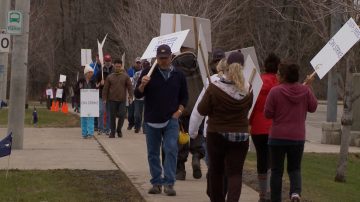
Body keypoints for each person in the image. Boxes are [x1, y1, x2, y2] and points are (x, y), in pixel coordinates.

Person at [198, 51, 253, 202]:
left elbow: (201, 110)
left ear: (226, 65)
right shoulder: (248, 88)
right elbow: (248, 108)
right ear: (243, 67)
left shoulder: (214, 87)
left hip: (217, 134)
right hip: (240, 136)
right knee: (235, 173)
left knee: (217, 171)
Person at [134, 44, 188, 196]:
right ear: (156, 58)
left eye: (166, 58)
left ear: (171, 57)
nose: (163, 61)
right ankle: (156, 182)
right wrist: (143, 85)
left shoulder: (179, 75)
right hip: (152, 120)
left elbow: (185, 96)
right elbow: (137, 95)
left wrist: (179, 111)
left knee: (171, 149)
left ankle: (169, 183)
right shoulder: (147, 73)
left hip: (171, 119)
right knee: (153, 153)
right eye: (160, 58)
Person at [264, 61, 317, 202]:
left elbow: (267, 113)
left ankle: (276, 198)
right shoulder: (305, 90)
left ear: (284, 76)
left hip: (277, 137)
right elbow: (313, 107)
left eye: (279, 73)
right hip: (297, 137)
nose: (276, 75)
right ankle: (295, 193)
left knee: (276, 171)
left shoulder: (275, 91)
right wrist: (308, 87)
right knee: (295, 169)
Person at [189, 49, 228, 197]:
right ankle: (219, 192)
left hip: (213, 132)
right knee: (223, 167)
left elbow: (199, 109)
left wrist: (192, 131)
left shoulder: (211, 83)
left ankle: (215, 192)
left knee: (214, 166)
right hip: (230, 132)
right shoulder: (238, 81)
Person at [249, 53, 280, 202]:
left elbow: (252, 105)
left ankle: (263, 193)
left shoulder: (257, 82)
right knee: (273, 160)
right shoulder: (280, 84)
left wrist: (249, 122)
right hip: (274, 127)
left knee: (261, 158)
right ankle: (271, 191)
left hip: (257, 126)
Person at [171, 47, 205, 181]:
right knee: (197, 134)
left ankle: (181, 170)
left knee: (181, 138)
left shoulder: (174, 69)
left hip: (182, 108)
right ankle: (196, 156)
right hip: (198, 107)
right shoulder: (199, 66)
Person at [102, 59, 133, 138]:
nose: (117, 68)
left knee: (122, 115)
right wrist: (104, 99)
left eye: (119, 66)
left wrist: (130, 96)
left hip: (122, 100)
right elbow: (105, 89)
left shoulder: (125, 76)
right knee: (112, 117)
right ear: (114, 66)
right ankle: (112, 132)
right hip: (112, 100)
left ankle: (119, 130)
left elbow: (130, 87)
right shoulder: (110, 77)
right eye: (116, 66)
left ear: (121, 66)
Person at [96, 54, 113, 135]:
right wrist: (100, 83)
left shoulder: (114, 71)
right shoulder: (100, 71)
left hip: (110, 95)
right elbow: (96, 85)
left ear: (111, 61)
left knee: (109, 112)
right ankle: (100, 128)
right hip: (101, 95)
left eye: (109, 61)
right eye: (106, 61)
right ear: (104, 61)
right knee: (101, 111)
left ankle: (108, 129)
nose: (108, 63)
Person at [78, 64, 97, 139]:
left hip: (91, 102)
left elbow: (96, 90)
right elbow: (76, 90)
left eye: (92, 72)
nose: (91, 74)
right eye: (90, 72)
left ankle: (90, 133)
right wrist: (79, 88)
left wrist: (99, 85)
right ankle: (84, 133)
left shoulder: (93, 81)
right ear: (86, 73)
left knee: (91, 118)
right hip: (83, 102)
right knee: (84, 118)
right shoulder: (81, 81)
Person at [132, 59, 148, 133]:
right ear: (142, 65)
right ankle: (137, 127)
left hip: (146, 98)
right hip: (138, 98)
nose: (145, 66)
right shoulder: (137, 74)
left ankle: (144, 128)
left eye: (147, 65)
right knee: (137, 115)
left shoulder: (151, 74)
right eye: (144, 65)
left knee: (146, 114)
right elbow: (133, 85)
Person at [127, 57, 142, 131]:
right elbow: (127, 80)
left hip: (138, 94)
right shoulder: (130, 70)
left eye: (139, 63)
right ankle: (130, 123)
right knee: (130, 112)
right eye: (137, 63)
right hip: (131, 93)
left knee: (137, 113)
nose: (138, 64)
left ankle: (137, 126)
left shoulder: (143, 71)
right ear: (135, 63)